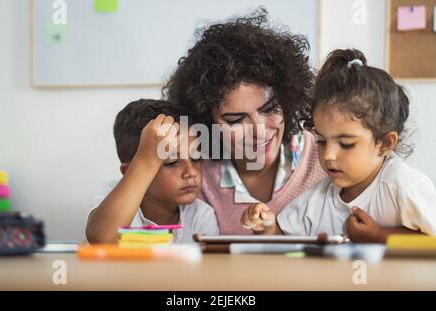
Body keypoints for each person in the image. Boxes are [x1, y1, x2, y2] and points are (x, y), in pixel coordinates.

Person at [241, 49, 436, 242]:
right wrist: (267, 229)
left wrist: (379, 236)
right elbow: (284, 244)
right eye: (322, 141)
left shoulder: (402, 186)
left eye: (346, 144)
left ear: (384, 143)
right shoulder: (316, 199)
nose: (329, 155)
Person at [164, 7, 326, 234]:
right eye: (236, 120)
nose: (259, 131)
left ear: (287, 100)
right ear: (208, 122)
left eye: (270, 109)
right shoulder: (194, 176)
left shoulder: (327, 154)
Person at [86, 99, 219, 243]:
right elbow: (102, 239)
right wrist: (144, 160)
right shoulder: (111, 195)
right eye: (172, 162)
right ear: (129, 171)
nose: (191, 172)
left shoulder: (200, 216)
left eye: (196, 158)